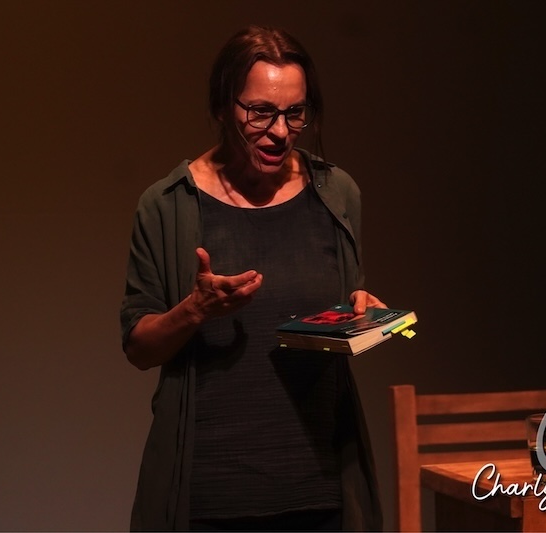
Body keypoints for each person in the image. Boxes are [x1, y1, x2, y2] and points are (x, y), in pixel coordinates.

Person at [120, 25, 384, 532]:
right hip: (211, 497)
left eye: (295, 113)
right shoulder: (168, 205)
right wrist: (194, 310)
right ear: (223, 107)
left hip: (319, 490)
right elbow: (138, 348)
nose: (280, 131)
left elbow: (345, 309)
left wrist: (363, 317)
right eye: (260, 112)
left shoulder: (336, 193)